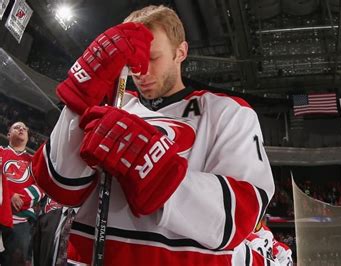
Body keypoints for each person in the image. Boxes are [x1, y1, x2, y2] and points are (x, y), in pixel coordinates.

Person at [32, 4, 274, 265]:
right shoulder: (110, 104)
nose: (140, 71)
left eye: (153, 58)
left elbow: (239, 217)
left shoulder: (228, 112)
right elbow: (60, 186)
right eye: (133, 61)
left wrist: (157, 173)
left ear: (180, 52)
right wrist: (79, 101)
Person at [0, 121, 44, 266]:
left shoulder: (33, 162)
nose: (21, 129)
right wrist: (10, 195)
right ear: (8, 135)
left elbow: (41, 186)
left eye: (24, 128)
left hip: (21, 221)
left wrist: (21, 199)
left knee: (16, 262)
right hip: (1, 212)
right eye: (17, 127)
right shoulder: (0, 152)